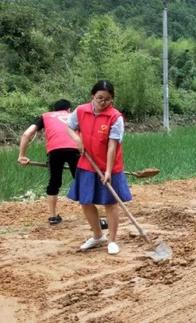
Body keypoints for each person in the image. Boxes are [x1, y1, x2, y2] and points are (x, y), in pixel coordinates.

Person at [66, 80, 132, 255]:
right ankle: (97, 236)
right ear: (92, 96)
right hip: (87, 164)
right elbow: (69, 127)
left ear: (112, 99)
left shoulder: (115, 117)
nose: (103, 102)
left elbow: (112, 145)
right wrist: (77, 140)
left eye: (108, 99)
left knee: (110, 203)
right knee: (86, 201)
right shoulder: (80, 111)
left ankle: (112, 240)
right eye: (99, 98)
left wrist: (108, 170)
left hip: (110, 165)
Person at [17, 99, 80, 225]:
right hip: (75, 148)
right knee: (82, 180)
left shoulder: (45, 116)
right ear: (68, 109)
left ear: (54, 110)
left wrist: (22, 155)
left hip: (54, 151)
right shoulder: (74, 116)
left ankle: (52, 217)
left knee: (54, 182)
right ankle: (96, 217)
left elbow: (26, 134)